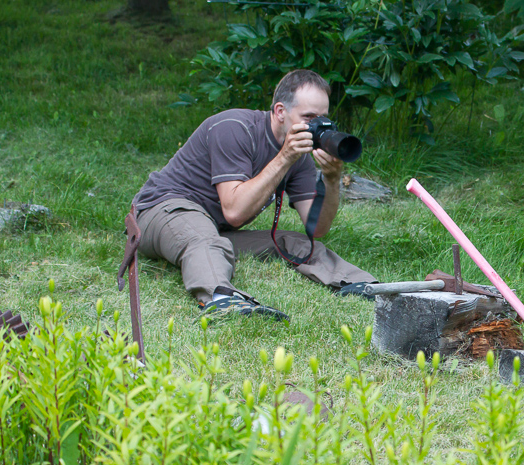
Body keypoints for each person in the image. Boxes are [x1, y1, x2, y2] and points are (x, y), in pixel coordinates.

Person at [131, 69, 376, 321]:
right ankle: (221, 299)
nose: (317, 126)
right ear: (280, 111)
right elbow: (235, 212)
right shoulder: (234, 128)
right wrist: (284, 157)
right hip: (161, 211)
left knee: (297, 242)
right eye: (309, 117)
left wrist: (332, 179)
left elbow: (317, 227)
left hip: (216, 228)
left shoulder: (299, 153)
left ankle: (366, 285)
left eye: (323, 118)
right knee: (203, 239)